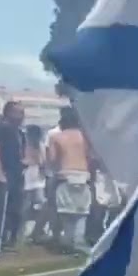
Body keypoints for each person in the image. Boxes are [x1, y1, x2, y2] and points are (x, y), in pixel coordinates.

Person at [47, 107, 92, 254]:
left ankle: (67, 241)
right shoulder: (85, 136)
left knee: (66, 213)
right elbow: (90, 156)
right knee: (82, 212)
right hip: (83, 175)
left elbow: (52, 159)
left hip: (65, 175)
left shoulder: (56, 137)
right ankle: (78, 240)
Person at [0, 101, 27, 252]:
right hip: (3, 173)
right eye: (18, 112)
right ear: (8, 112)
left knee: (14, 208)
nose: (21, 116)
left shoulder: (19, 132)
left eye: (22, 113)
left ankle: (8, 240)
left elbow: (19, 152)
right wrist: (0, 173)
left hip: (17, 173)